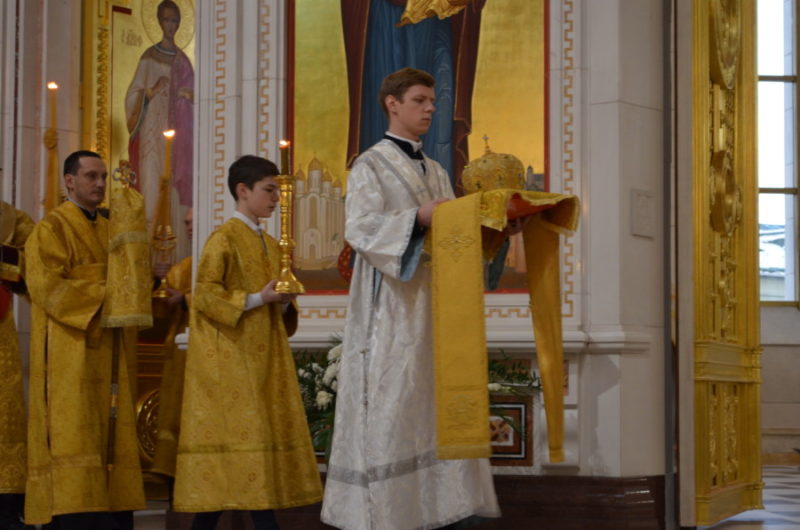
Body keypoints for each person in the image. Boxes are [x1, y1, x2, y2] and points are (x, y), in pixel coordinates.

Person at [321, 67, 500, 530]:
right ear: (392, 103)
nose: (430, 109)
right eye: (420, 100)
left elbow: (454, 235)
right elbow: (360, 228)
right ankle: (390, 513)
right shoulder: (371, 164)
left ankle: (441, 506)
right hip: (392, 311)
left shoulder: (437, 170)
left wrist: (498, 228)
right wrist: (417, 217)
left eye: (432, 101)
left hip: (436, 309)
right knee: (395, 405)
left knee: (431, 405)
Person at [173, 156, 323, 530]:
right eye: (269, 190)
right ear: (243, 190)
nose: (275, 199)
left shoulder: (272, 244)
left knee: (253, 463)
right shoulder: (223, 239)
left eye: (277, 191)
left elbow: (277, 305)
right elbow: (205, 297)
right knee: (236, 460)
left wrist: (283, 301)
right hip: (233, 364)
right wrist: (259, 298)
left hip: (266, 361)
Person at [24, 150, 145, 529]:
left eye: (103, 176)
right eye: (91, 176)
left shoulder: (112, 228)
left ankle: (112, 509)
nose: (99, 184)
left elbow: (132, 277)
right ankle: (75, 512)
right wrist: (107, 293)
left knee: (111, 429)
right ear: (70, 181)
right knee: (73, 431)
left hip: (111, 346)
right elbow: (45, 286)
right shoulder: (51, 228)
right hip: (70, 349)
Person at [125, 0, 194, 257]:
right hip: (151, 135)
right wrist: (151, 92)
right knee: (152, 190)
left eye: (174, 20)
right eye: (166, 20)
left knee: (173, 192)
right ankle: (149, 258)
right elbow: (132, 96)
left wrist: (186, 96)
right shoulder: (149, 57)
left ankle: (176, 258)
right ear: (159, 22)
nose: (170, 25)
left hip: (178, 139)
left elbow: (195, 95)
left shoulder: (183, 61)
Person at [151, 207, 193, 484]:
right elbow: (160, 312)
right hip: (181, 355)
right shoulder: (183, 268)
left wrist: (186, 299)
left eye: (194, 222)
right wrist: (158, 281)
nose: (189, 227)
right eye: (186, 222)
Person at [0, 200, 34, 530]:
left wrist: (5, 259)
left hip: (1, 336)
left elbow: (38, 262)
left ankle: (6, 507)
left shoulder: (11, 218)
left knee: (5, 416)